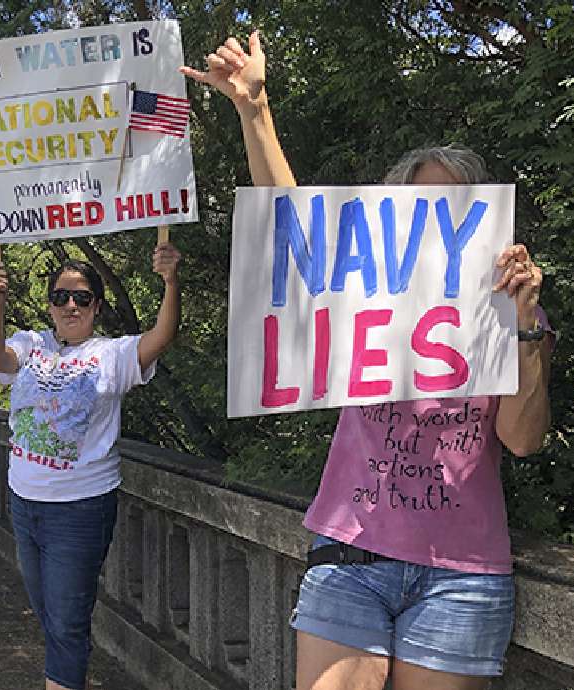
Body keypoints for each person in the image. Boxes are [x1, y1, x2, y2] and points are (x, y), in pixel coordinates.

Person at [183, 30, 554, 690]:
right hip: (350, 553)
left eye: (453, 206)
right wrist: (254, 109)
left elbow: (522, 440)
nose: (435, 219)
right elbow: (296, 230)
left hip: (462, 577)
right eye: (419, 205)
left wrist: (526, 327)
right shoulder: (363, 291)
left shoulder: (513, 311)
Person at [0, 244, 182, 690]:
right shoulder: (31, 344)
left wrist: (170, 282)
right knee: (50, 617)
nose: (71, 305)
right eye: (61, 297)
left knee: (67, 623)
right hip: (24, 502)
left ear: (97, 306)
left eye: (82, 297)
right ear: (50, 304)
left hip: (80, 508)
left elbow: (161, 337)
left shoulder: (112, 354)